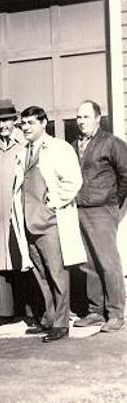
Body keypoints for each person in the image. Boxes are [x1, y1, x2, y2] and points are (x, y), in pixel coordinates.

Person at [14, 106, 83, 342]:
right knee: (41, 275)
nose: (25, 127)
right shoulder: (23, 151)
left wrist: (51, 204)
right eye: (23, 123)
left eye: (31, 123)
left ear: (44, 123)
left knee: (57, 273)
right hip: (29, 223)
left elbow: (73, 181)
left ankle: (62, 323)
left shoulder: (58, 148)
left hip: (51, 223)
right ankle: (50, 318)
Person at [72, 100, 127, 333]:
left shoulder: (112, 143)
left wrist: (114, 203)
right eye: (79, 117)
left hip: (103, 210)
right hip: (79, 209)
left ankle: (116, 313)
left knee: (108, 261)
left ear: (97, 118)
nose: (81, 121)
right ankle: (96, 311)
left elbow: (125, 174)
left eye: (86, 116)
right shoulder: (74, 145)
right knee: (88, 263)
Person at [0, 100, 36, 327]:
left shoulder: (24, 145)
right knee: (0, 263)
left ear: (15, 120)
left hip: (19, 212)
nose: (2, 125)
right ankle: (5, 311)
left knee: (23, 259)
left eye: (6, 120)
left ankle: (32, 311)